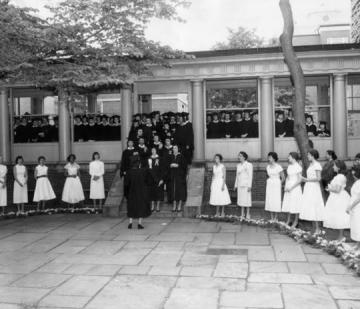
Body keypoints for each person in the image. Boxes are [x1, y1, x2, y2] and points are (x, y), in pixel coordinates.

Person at [323, 160, 350, 241]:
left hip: (339, 198)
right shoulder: (339, 176)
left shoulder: (340, 177)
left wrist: (330, 188)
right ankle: (340, 236)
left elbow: (338, 190)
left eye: (334, 166)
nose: (333, 167)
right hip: (336, 197)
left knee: (339, 216)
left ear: (338, 167)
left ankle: (341, 237)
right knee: (337, 216)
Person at [299, 149, 325, 234]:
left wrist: (306, 179)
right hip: (309, 187)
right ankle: (315, 228)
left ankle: (318, 229)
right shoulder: (311, 165)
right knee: (310, 207)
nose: (308, 156)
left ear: (313, 156)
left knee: (315, 207)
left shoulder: (317, 165)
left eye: (309, 155)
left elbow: (318, 178)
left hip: (314, 187)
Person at [125, 155, 151, 229]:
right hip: (141, 193)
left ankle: (130, 223)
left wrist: (126, 194)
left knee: (131, 207)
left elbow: (126, 184)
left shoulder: (129, 172)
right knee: (140, 207)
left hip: (131, 193)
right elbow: (147, 181)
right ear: (138, 163)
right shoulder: (142, 171)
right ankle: (139, 224)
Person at [282, 152, 303, 228]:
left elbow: (299, 180)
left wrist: (291, 187)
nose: (288, 158)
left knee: (295, 204)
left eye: (289, 157)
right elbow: (288, 177)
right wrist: (286, 186)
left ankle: (296, 221)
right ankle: (288, 220)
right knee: (288, 203)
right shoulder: (290, 166)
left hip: (295, 187)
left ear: (294, 158)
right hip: (289, 186)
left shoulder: (298, 167)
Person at [265, 152, 284, 221]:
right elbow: (268, 176)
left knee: (276, 200)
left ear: (274, 158)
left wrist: (279, 184)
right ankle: (272, 217)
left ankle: (276, 217)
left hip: (276, 185)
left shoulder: (278, 167)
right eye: (268, 157)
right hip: (270, 184)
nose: (269, 159)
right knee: (270, 200)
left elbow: (283, 178)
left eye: (270, 157)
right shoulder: (267, 167)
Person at [167, 145, 187, 212]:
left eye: (175, 148)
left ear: (178, 149)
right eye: (173, 148)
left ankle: (179, 205)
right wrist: (170, 165)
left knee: (180, 190)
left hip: (180, 176)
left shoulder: (181, 156)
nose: (174, 149)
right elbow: (167, 165)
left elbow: (184, 166)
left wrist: (178, 165)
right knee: (173, 190)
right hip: (172, 176)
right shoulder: (170, 156)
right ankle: (174, 205)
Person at [234, 151, 253, 219]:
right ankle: (242, 214)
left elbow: (250, 176)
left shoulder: (249, 165)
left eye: (240, 156)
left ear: (244, 157)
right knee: (241, 199)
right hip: (240, 185)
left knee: (247, 199)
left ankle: (248, 213)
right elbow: (237, 176)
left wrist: (249, 186)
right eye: (239, 156)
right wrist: (235, 185)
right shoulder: (238, 165)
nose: (239, 157)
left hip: (246, 185)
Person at [346, 166, 360, 250]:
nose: (352, 173)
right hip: (354, 207)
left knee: (358, 225)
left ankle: (359, 247)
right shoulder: (357, 182)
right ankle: (357, 244)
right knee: (355, 225)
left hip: (357, 206)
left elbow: (359, 198)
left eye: (353, 172)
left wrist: (350, 206)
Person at [148, 147, 165, 212]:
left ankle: (158, 206)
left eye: (154, 150)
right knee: (152, 192)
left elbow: (163, 170)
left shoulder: (160, 159)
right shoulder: (149, 159)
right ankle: (152, 205)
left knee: (159, 192)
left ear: (156, 151)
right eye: (152, 150)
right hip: (151, 179)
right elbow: (148, 169)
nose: (153, 151)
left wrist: (161, 179)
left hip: (159, 178)